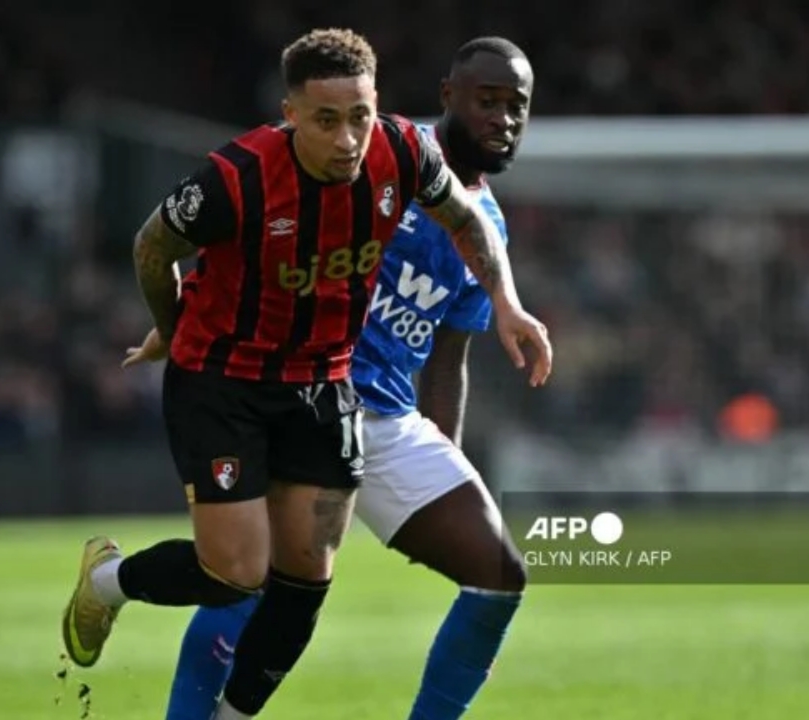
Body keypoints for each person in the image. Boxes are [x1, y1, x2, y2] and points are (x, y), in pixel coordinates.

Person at [59, 28, 553, 720]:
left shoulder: (482, 225)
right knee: (246, 578)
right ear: (448, 97)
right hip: (288, 384)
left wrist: (443, 467)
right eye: (487, 101)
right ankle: (126, 609)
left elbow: (448, 359)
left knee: (499, 577)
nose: (502, 118)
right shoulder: (384, 156)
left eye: (516, 105)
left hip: (379, 415)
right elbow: (256, 235)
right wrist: (183, 319)